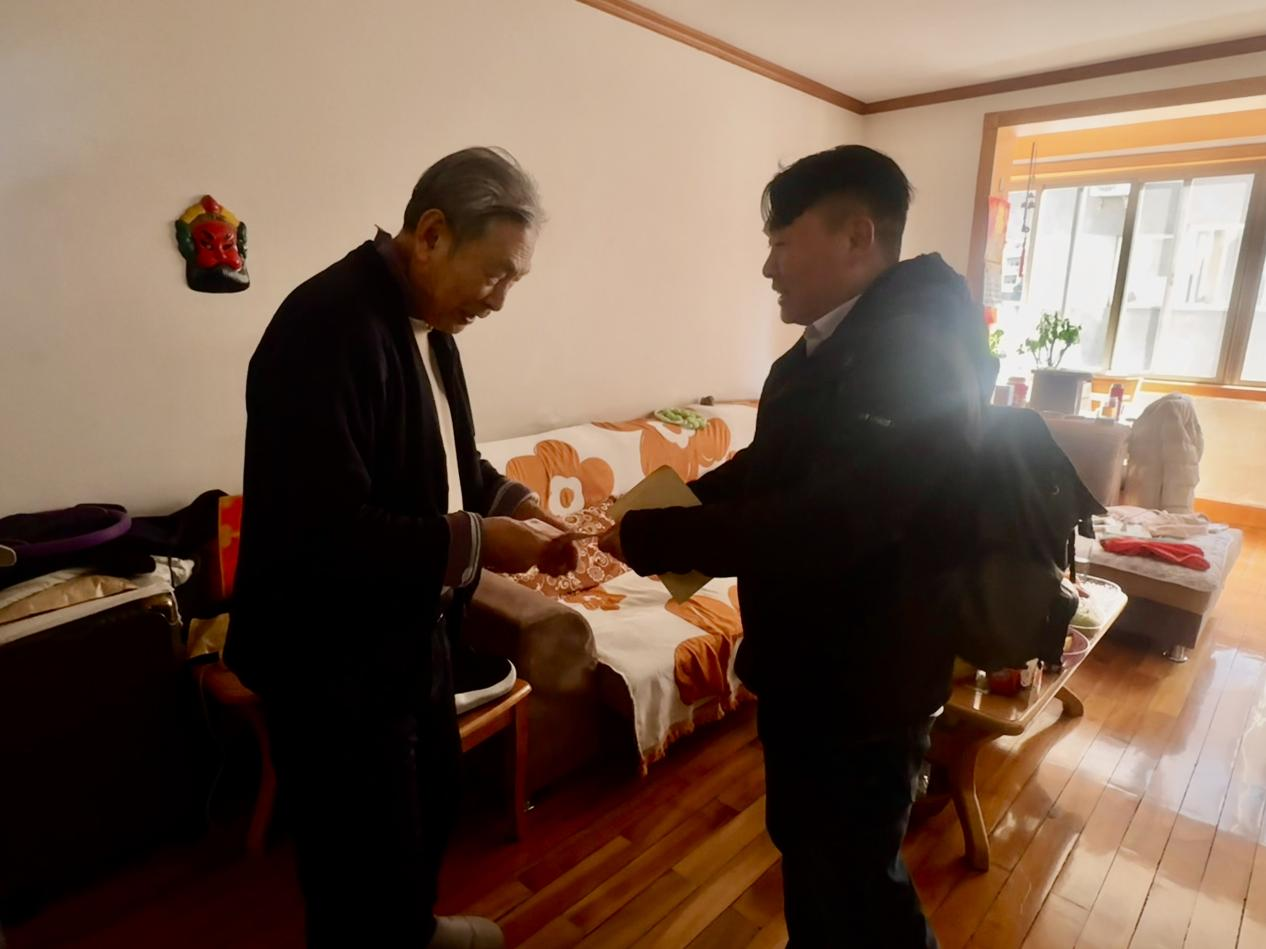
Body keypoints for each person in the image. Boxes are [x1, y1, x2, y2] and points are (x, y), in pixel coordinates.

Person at [599, 145, 997, 947]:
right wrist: (664, 505)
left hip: (866, 679)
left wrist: (653, 533)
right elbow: (772, 465)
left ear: (856, 237)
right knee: (812, 856)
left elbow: (833, 520)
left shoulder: (916, 351)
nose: (768, 266)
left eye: (783, 242)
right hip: (807, 668)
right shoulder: (826, 348)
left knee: (860, 882)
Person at [227, 147, 577, 949]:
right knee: (358, 860)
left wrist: (521, 505)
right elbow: (327, 532)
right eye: (495, 274)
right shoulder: (326, 326)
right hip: (330, 659)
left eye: (514, 281)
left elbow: (455, 461)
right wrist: (484, 540)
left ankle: (413, 928)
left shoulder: (435, 327)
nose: (500, 300)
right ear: (431, 234)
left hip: (410, 632)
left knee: (429, 804)